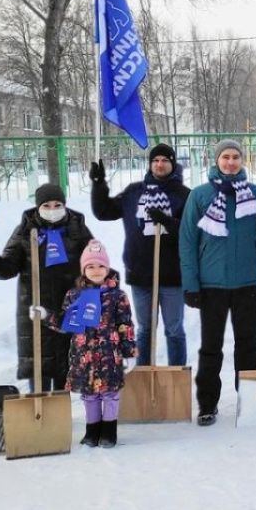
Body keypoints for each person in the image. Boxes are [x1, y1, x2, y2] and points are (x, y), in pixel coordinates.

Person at [179, 139, 256, 426]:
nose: (230, 162)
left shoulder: (253, 192)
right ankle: (207, 404)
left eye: (235, 157)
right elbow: (187, 241)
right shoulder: (200, 195)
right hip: (211, 284)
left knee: (247, 345)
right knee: (211, 347)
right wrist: (191, 284)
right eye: (225, 157)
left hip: (246, 281)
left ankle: (248, 399)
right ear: (216, 161)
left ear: (242, 160)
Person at [0, 183, 93, 392]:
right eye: (47, 205)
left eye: (57, 204)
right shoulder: (25, 231)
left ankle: (59, 416)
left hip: (68, 307)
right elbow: (8, 268)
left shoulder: (77, 229)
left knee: (65, 367)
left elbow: (94, 263)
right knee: (39, 366)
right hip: (34, 309)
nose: (53, 209)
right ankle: (38, 416)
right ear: (38, 207)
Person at [89, 143, 191, 367]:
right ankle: (145, 373)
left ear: (172, 164)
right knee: (145, 329)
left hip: (173, 274)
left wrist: (166, 221)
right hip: (141, 273)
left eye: (165, 160)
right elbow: (104, 212)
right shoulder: (134, 192)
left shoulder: (183, 195)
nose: (160, 164)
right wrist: (99, 184)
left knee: (174, 329)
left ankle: (177, 374)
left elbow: (190, 231)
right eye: (155, 160)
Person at [33, 239, 136, 448]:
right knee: (89, 395)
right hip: (84, 357)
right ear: (83, 269)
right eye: (91, 266)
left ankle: (109, 432)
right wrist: (45, 315)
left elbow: (126, 325)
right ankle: (92, 431)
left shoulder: (117, 296)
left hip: (109, 355)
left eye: (100, 266)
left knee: (110, 394)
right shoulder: (74, 296)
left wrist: (129, 352)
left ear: (107, 268)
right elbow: (66, 323)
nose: (96, 270)